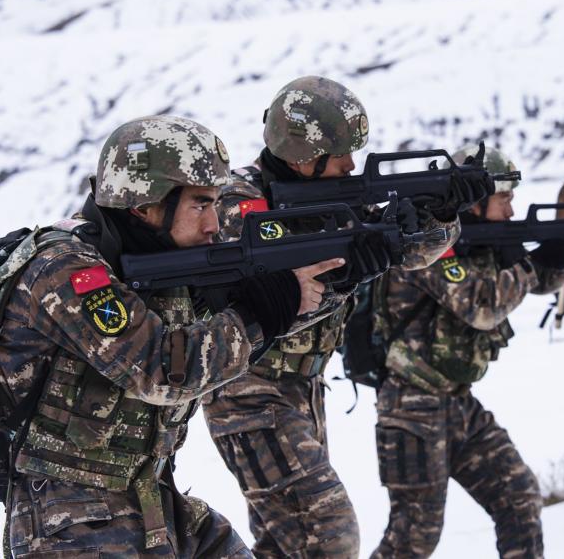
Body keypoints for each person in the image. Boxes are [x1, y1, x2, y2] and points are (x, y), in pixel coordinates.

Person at [0, 115, 341, 557]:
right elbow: (161, 370)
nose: (214, 223)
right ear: (144, 204)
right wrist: (264, 310)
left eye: (216, 203)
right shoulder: (67, 270)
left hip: (150, 495)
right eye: (200, 205)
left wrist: (334, 282)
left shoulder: (163, 266)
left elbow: (237, 333)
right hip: (73, 520)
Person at [202, 76, 476, 558]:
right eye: (342, 154)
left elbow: (413, 254)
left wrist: (441, 211)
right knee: (328, 536)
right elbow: (264, 309)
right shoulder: (237, 207)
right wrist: (344, 279)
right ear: (305, 156)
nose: (352, 165)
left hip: (304, 390)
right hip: (248, 393)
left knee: (284, 546)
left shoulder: (337, 197)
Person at [370, 146, 564, 558]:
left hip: (459, 403)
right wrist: (532, 267)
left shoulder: (485, 243)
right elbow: (481, 306)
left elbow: (538, 282)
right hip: (411, 407)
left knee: (519, 496)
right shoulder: (429, 244)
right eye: (504, 198)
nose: (511, 208)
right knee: (414, 536)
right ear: (477, 200)